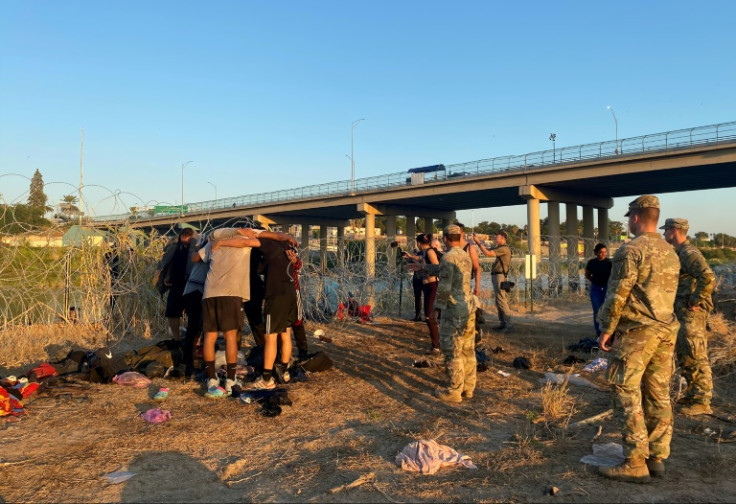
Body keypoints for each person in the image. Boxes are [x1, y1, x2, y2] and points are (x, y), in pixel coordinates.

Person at [596, 195, 680, 482]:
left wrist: (606, 328)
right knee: (658, 392)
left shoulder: (630, 251)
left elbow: (617, 294)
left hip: (638, 333)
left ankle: (634, 460)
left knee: (625, 390)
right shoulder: (670, 251)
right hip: (666, 330)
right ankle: (657, 457)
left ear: (634, 218)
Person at [661, 217, 716, 416]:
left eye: (666, 229)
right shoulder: (679, 252)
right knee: (685, 354)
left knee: (695, 354)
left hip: (692, 314)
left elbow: (708, 278)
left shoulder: (689, 253)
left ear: (674, 230)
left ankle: (702, 401)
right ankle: (693, 395)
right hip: (682, 314)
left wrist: (695, 300)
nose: (664, 233)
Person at [428, 224, 476, 403]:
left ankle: (454, 391)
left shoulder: (448, 257)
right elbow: (450, 273)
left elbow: (445, 286)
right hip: (468, 306)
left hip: (454, 310)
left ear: (446, 238)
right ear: (459, 236)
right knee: (468, 349)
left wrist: (436, 309)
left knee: (452, 350)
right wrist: (423, 267)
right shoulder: (464, 255)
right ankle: (468, 387)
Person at [154, 228, 196, 339]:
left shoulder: (197, 247)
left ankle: (192, 339)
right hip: (176, 284)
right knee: (172, 312)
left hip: (191, 284)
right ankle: (177, 338)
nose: (185, 244)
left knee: (193, 313)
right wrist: (167, 276)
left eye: (187, 242)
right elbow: (168, 261)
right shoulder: (176, 246)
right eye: (183, 242)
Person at [407, 234, 442, 353]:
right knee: (430, 316)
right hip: (427, 285)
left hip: (433, 286)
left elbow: (437, 268)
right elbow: (425, 269)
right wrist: (416, 266)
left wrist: (421, 266)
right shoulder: (425, 252)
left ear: (419, 243)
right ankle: (437, 344)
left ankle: (437, 346)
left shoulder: (430, 252)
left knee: (429, 316)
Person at [472, 230, 513, 331]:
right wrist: (480, 241)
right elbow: (487, 250)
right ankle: (503, 323)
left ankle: (508, 324)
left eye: (497, 236)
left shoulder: (504, 248)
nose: (495, 238)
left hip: (500, 276)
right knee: (499, 300)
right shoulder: (500, 248)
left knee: (501, 300)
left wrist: (477, 242)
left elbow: (488, 253)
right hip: (498, 276)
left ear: (503, 238)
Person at [585, 243, 612, 337]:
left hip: (607, 289)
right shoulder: (592, 263)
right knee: (597, 311)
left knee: (607, 311)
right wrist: (593, 281)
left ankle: (607, 332)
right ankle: (598, 332)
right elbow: (587, 274)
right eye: (600, 252)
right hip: (596, 288)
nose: (603, 254)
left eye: (605, 252)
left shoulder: (610, 263)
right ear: (596, 253)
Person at [402, 236, 424, 322]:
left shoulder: (427, 253)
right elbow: (413, 263)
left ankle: (428, 316)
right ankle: (418, 315)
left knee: (427, 298)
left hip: (424, 278)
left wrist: (411, 257)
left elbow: (421, 264)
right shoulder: (419, 253)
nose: (417, 245)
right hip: (416, 278)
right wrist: (407, 258)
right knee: (417, 297)